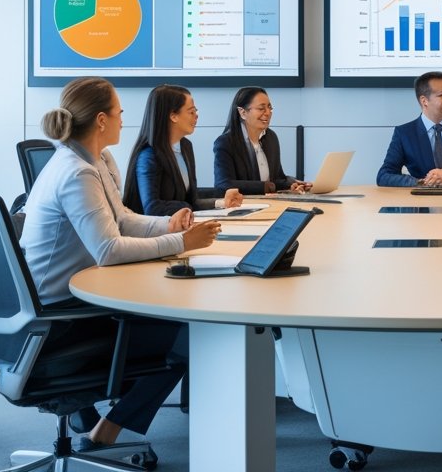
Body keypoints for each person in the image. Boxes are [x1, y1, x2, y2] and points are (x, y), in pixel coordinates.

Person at [20, 77, 221, 451]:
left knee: (173, 319)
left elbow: (123, 219)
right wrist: (181, 242)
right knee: (188, 335)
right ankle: (110, 429)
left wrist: (168, 224)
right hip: (59, 318)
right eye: (119, 112)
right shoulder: (76, 171)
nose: (123, 120)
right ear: (101, 120)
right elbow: (108, 250)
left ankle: (100, 418)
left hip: (70, 300)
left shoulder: (93, 159)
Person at [122, 84, 243, 216]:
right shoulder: (149, 156)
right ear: (173, 116)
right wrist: (187, 206)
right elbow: (152, 208)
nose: (196, 116)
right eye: (191, 112)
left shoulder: (185, 146)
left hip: (181, 224)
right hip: (157, 227)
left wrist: (222, 203)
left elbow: (192, 201)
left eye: (195, 111)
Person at [213, 86, 308, 195]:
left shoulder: (271, 137)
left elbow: (276, 179)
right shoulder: (225, 142)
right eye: (261, 108)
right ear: (243, 112)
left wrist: (291, 184)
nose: (268, 113)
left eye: (269, 108)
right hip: (242, 204)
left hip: (270, 202)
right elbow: (223, 184)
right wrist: (265, 187)